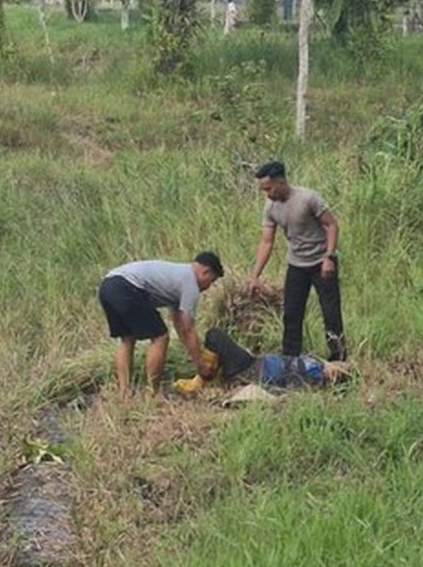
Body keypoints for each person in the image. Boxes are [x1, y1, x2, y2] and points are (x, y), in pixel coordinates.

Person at [249, 160, 346, 361]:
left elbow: (331, 225)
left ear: (280, 181)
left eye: (268, 188)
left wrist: (329, 257)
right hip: (297, 265)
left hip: (321, 262)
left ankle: (338, 361)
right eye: (263, 190)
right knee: (292, 314)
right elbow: (266, 241)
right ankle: (290, 361)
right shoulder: (270, 207)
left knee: (331, 313)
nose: (267, 193)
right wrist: (255, 275)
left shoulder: (308, 198)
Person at [98, 252, 225, 396]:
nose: (208, 287)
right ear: (205, 272)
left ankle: (124, 391)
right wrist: (201, 365)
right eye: (212, 281)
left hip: (107, 287)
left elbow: (180, 324)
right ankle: (153, 392)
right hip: (127, 288)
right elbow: (188, 329)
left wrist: (195, 356)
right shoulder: (191, 284)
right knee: (160, 337)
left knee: (127, 339)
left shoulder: (178, 274)